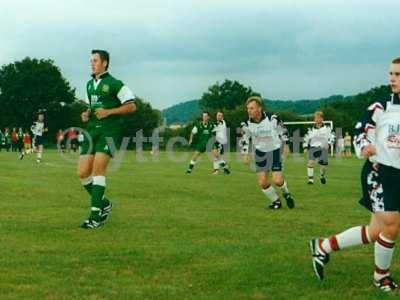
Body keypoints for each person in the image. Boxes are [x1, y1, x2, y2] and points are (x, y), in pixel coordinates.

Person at [310, 57, 400, 292]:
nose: (392, 78)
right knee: (391, 225)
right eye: (391, 74)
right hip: (378, 173)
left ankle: (322, 246)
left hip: (398, 176)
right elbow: (361, 129)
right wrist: (364, 146)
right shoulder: (382, 107)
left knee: (375, 232)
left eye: (398, 75)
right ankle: (381, 277)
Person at [78, 49, 136, 229]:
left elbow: (132, 106)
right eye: (91, 61)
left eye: (95, 60)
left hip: (110, 132)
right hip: (91, 131)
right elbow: (91, 107)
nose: (92, 63)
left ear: (105, 63)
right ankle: (104, 204)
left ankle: (95, 217)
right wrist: (86, 114)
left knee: (98, 170)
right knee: (82, 173)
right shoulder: (89, 84)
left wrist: (109, 112)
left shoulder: (115, 83)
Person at [242, 96, 295, 210]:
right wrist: (245, 153)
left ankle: (286, 193)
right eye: (248, 108)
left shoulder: (272, 118)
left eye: (252, 108)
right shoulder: (246, 123)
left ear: (259, 108)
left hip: (275, 151)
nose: (249, 111)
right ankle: (276, 201)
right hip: (260, 153)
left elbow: (283, 130)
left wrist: (286, 145)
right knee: (263, 182)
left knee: (278, 180)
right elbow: (245, 138)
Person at [305, 111, 332, 184]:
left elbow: (331, 137)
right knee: (310, 163)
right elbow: (308, 138)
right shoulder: (311, 129)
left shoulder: (327, 128)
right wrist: (306, 147)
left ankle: (322, 176)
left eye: (318, 118)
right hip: (313, 147)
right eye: (315, 118)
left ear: (322, 119)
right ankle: (311, 180)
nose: (316, 119)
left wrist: (328, 144)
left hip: (323, 148)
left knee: (323, 167)